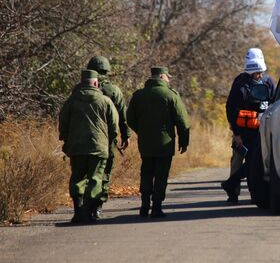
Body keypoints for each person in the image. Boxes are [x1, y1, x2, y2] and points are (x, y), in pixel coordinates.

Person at [127, 66, 190, 218]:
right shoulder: (171, 95)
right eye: (167, 77)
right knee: (161, 175)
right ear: (161, 77)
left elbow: (130, 119)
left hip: (145, 143)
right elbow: (183, 122)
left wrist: (141, 131)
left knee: (146, 172)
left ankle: (144, 205)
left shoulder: (138, 95)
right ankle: (156, 207)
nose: (169, 80)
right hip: (165, 144)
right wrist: (183, 141)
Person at [59, 70, 119, 224]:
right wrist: (110, 140)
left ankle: (78, 211)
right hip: (98, 147)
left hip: (77, 147)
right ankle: (89, 211)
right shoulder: (105, 101)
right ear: (96, 83)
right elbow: (113, 126)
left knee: (77, 177)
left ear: (81, 82)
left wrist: (66, 140)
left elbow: (63, 123)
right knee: (95, 179)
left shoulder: (71, 100)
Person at [221, 48, 274, 204]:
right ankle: (233, 193)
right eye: (256, 72)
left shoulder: (268, 82)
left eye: (260, 71)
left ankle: (253, 193)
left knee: (255, 162)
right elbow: (230, 108)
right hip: (242, 131)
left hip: (261, 129)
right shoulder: (240, 83)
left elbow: (275, 102)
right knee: (237, 160)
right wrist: (236, 134)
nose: (259, 75)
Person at [86, 56, 131, 218]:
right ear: (107, 70)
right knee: (104, 172)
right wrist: (125, 135)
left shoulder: (80, 89)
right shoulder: (113, 90)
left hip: (82, 138)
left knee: (84, 172)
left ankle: (83, 206)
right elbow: (122, 116)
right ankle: (97, 205)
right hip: (106, 139)